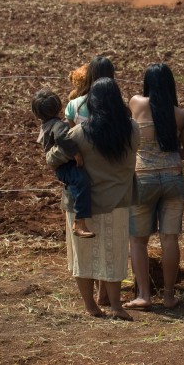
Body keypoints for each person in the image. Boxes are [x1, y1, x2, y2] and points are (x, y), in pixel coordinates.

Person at [47, 77, 140, 320]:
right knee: (115, 255)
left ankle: (91, 306)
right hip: (117, 202)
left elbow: (52, 159)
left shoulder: (79, 133)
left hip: (82, 207)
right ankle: (117, 307)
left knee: (83, 255)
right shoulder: (132, 129)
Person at [124, 63, 184, 311]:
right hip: (173, 178)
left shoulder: (135, 102)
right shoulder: (180, 114)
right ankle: (169, 295)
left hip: (143, 178)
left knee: (138, 240)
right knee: (169, 238)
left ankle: (144, 294)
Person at [31, 89, 95, 239]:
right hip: (66, 166)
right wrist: (76, 154)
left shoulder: (46, 124)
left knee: (76, 185)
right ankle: (79, 222)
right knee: (82, 182)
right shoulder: (57, 125)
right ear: (60, 107)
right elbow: (62, 138)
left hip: (61, 167)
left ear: (36, 113)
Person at [66, 56, 116, 127]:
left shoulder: (73, 105)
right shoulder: (119, 106)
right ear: (111, 76)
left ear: (88, 75)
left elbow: (72, 134)